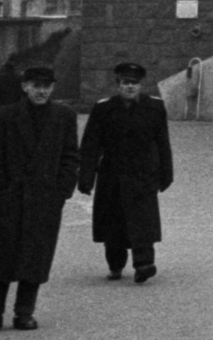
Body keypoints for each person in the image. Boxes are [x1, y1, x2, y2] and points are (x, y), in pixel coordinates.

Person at [0, 65, 79, 334]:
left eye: (47, 86)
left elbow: (70, 157)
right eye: (36, 86)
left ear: (53, 88)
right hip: (10, 199)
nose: (42, 91)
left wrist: (61, 192)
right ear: (25, 87)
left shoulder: (64, 116)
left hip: (45, 200)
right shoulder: (6, 116)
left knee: (35, 257)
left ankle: (24, 313)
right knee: (1, 257)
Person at [78, 61, 175, 283]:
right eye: (125, 83)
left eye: (134, 83)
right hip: (112, 174)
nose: (130, 87)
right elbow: (91, 145)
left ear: (141, 85)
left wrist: (166, 173)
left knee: (143, 221)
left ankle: (144, 263)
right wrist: (85, 177)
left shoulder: (154, 108)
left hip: (143, 174)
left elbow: (162, 142)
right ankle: (115, 265)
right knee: (114, 223)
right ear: (118, 84)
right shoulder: (103, 109)